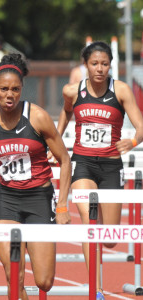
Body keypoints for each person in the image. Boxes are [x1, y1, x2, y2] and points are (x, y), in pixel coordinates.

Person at [0, 53, 71, 299]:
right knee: (14, 275)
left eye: (16, 89)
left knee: (44, 281)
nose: (10, 95)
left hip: (39, 198)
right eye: (4, 89)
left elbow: (65, 159)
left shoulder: (37, 117)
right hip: (7, 200)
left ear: (22, 89)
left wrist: (61, 205)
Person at [57, 41, 143, 300]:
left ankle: (102, 243)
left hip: (111, 166)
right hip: (82, 163)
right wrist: (56, 143)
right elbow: (65, 114)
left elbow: (142, 127)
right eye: (94, 63)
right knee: (88, 222)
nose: (100, 69)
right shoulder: (72, 91)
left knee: (109, 238)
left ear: (110, 65)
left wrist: (133, 141)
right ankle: (96, 288)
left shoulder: (122, 91)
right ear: (85, 65)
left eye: (104, 64)